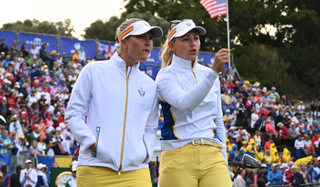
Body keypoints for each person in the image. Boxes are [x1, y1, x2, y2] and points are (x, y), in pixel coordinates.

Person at [65, 18, 162, 187]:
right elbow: (73, 114)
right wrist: (92, 144)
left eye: (150, 38)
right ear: (124, 41)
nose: (148, 43)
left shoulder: (150, 85)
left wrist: (145, 152)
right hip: (95, 168)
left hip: (137, 171)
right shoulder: (94, 71)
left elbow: (151, 127)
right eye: (141, 37)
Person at [156, 19, 231, 187]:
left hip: (213, 155)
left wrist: (224, 161)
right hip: (178, 154)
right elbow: (186, 103)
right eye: (185, 39)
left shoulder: (209, 73)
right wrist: (213, 73)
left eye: (196, 38)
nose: (193, 43)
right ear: (172, 44)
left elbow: (218, 120)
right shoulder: (165, 75)